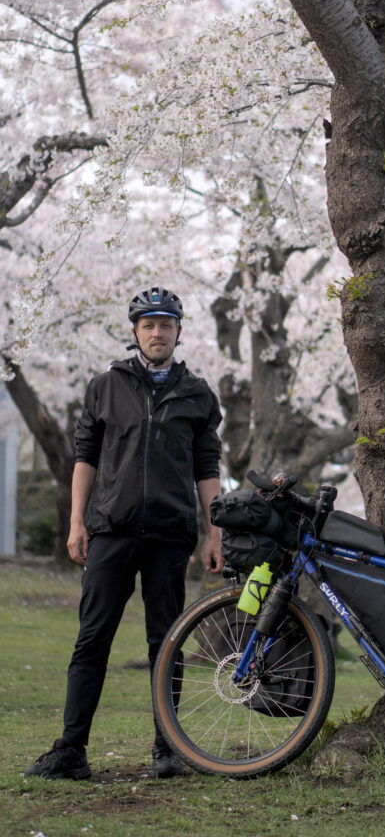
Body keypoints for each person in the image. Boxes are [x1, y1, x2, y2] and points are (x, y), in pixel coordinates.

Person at [24, 286, 223, 780]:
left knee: (167, 642)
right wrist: (76, 522)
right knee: (92, 639)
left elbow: (207, 467)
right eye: (149, 325)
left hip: (171, 535)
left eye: (166, 325)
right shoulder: (105, 385)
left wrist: (214, 533)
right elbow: (85, 456)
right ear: (135, 331)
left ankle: (167, 749)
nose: (158, 333)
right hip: (110, 529)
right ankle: (71, 750)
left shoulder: (197, 393)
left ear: (179, 331)